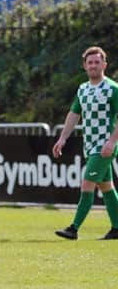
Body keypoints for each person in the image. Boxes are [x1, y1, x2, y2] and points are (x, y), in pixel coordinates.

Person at [53, 46, 118, 241]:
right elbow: (74, 115)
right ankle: (117, 228)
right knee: (106, 187)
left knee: (87, 184)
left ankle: (73, 228)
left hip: (104, 146)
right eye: (90, 62)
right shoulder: (82, 89)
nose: (93, 65)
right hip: (90, 146)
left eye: (97, 62)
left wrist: (112, 142)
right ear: (84, 66)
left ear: (104, 65)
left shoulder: (113, 88)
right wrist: (63, 138)